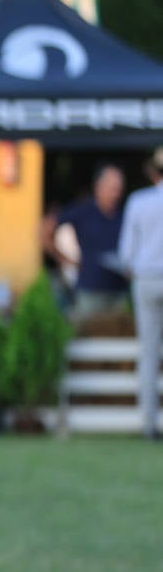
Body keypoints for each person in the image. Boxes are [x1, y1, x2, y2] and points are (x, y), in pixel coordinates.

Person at [41, 163, 130, 321]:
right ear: (98, 186)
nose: (116, 193)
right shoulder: (83, 211)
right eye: (112, 188)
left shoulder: (124, 214)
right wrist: (64, 259)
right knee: (88, 340)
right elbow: (46, 229)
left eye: (119, 189)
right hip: (90, 290)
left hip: (118, 291)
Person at [118, 147, 163, 439]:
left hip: (145, 279)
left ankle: (149, 424)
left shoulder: (138, 201)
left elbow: (126, 254)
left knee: (148, 351)